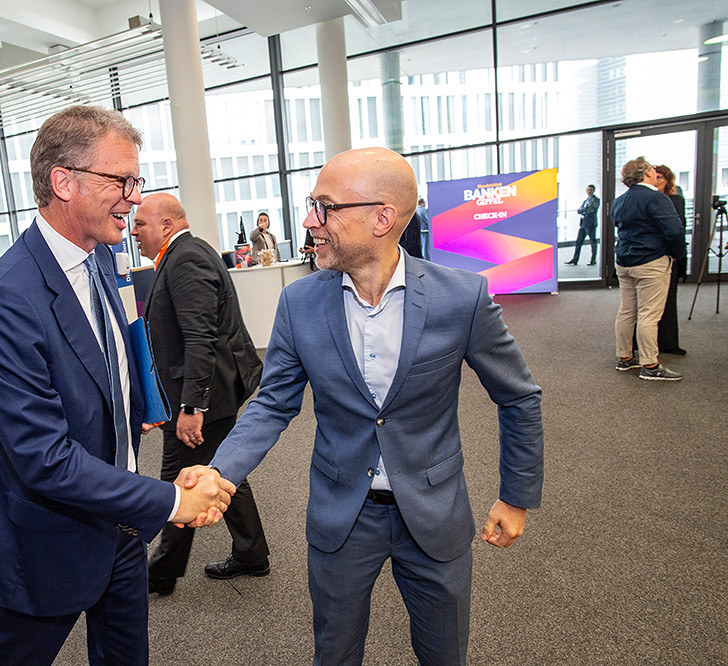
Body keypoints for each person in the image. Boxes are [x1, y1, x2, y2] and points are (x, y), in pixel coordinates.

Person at [208, 147, 545, 666]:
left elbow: (518, 396)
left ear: (382, 218)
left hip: (434, 512)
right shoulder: (300, 303)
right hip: (342, 513)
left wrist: (515, 497)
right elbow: (273, 404)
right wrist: (220, 473)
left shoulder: (462, 298)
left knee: (444, 656)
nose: (309, 221)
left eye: (325, 207)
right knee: (335, 654)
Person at [0, 106, 235, 666]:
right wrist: (171, 500)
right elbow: (43, 458)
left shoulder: (103, 260)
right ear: (64, 181)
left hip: (123, 528)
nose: (135, 198)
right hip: (47, 540)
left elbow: (115, 356)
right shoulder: (5, 295)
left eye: (136, 181)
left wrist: (146, 409)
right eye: (122, 181)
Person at [130, 193, 270, 596]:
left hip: (203, 398)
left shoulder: (187, 258)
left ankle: (161, 572)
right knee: (221, 468)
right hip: (209, 392)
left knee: (180, 480)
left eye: (140, 223)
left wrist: (192, 407)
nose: (133, 231)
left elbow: (199, 338)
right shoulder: (182, 254)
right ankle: (251, 553)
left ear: (166, 225)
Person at [612, 157, 687, 381]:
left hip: (624, 262)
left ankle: (625, 358)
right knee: (649, 314)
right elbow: (674, 231)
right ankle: (650, 365)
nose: (655, 173)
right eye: (653, 170)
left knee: (627, 311)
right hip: (651, 261)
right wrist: (677, 254)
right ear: (646, 173)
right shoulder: (656, 198)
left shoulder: (619, 201)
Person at [653, 165, 687, 355]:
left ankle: (668, 342)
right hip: (651, 255)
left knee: (668, 299)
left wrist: (675, 253)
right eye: (655, 177)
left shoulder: (675, 200)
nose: (657, 181)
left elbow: (678, 228)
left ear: (668, 180)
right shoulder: (649, 199)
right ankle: (642, 342)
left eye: (660, 177)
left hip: (669, 255)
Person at [565, 184, 601, 266]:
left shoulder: (596, 200)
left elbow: (590, 209)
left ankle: (593, 260)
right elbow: (580, 210)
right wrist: (583, 210)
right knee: (578, 242)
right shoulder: (586, 201)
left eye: (591, 190)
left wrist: (583, 210)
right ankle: (575, 259)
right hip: (583, 224)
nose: (589, 191)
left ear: (594, 191)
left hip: (591, 224)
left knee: (593, 242)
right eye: (588, 190)